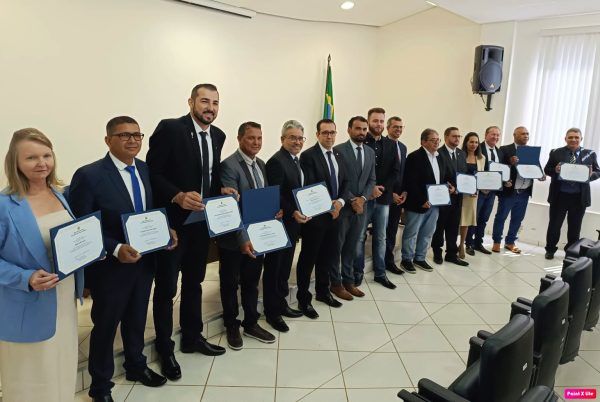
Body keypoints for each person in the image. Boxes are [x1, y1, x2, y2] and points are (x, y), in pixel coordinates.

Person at [70, 116, 179, 401]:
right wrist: (116, 248)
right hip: (111, 266)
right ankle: (100, 386)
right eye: (124, 135)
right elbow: (83, 226)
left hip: (144, 261)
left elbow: (149, 212)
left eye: (137, 135)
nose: (132, 140)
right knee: (106, 325)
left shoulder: (144, 169)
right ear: (108, 140)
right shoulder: (89, 175)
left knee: (136, 318)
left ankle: (136, 366)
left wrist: (164, 229)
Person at [146, 84, 227, 381]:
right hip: (173, 225)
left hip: (201, 224)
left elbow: (209, 176)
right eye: (204, 101)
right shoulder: (170, 129)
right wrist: (177, 195)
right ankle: (164, 348)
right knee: (167, 288)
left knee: (195, 282)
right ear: (191, 102)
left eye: (215, 103)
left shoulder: (218, 135)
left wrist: (222, 190)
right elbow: (152, 173)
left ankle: (192, 337)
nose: (210, 108)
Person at [0, 128, 84, 402]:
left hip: (63, 296)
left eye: (47, 155)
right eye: (31, 157)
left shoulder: (58, 193)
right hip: (27, 302)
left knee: (61, 364)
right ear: (15, 162)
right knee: (32, 376)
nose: (42, 163)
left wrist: (88, 251)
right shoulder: (5, 205)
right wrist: (25, 277)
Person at [218, 122, 276, 349]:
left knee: (252, 282)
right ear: (239, 138)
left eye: (259, 138)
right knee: (230, 284)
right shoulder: (229, 166)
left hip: (258, 236)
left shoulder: (261, 164)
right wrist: (243, 239)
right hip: (235, 240)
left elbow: (263, 198)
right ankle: (232, 325)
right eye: (251, 138)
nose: (256, 142)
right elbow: (230, 207)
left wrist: (274, 212)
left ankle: (251, 322)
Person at [296, 119, 348, 318]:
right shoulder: (308, 156)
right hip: (316, 218)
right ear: (317, 134)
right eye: (325, 132)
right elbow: (311, 186)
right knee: (308, 259)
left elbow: (346, 182)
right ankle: (303, 299)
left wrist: (340, 202)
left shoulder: (339, 155)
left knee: (327, 256)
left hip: (335, 216)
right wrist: (329, 205)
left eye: (332, 132)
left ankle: (323, 292)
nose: (329, 136)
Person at [263, 120, 307, 333]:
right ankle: (272, 313)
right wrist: (292, 211)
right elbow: (276, 194)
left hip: (293, 224)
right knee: (274, 268)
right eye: (292, 138)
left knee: (284, 268)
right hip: (280, 223)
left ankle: (281, 304)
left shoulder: (295, 160)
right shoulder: (276, 161)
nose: (297, 142)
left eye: (300, 138)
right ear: (282, 139)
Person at [354, 107, 401, 289]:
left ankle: (380, 273)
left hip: (383, 199)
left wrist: (381, 189)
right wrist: (370, 190)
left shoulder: (391, 144)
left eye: (381, 121)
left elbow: (395, 171)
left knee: (381, 237)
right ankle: (357, 273)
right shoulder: (360, 141)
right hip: (364, 198)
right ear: (368, 121)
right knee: (359, 237)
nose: (379, 124)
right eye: (375, 120)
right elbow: (356, 171)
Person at [332, 116, 376, 299]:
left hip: (360, 210)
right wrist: (352, 200)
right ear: (349, 130)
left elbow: (372, 179)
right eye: (358, 128)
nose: (361, 132)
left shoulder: (370, 152)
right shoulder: (338, 151)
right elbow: (338, 181)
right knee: (337, 247)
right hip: (343, 208)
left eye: (364, 129)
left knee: (352, 247)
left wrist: (363, 199)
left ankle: (348, 281)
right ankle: (335, 283)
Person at [400, 129, 454, 274]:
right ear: (423, 141)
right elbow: (410, 182)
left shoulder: (440, 157)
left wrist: (448, 186)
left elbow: (443, 178)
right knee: (412, 233)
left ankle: (420, 258)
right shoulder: (414, 157)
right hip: (417, 203)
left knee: (427, 233)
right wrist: (421, 200)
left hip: (435, 204)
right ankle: (406, 259)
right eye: (433, 140)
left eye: (438, 140)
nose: (436, 142)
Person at [543, 128, 600, 259]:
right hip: (559, 196)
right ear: (565, 139)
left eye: (576, 137)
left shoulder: (590, 154)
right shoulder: (556, 152)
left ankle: (571, 252)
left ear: (581, 139)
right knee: (554, 225)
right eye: (570, 137)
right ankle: (550, 250)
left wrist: (590, 175)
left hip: (579, 197)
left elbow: (598, 171)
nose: (573, 140)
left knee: (575, 227)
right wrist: (555, 170)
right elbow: (547, 169)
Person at [492, 126, 544, 254]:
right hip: (510, 191)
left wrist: (541, 175)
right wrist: (510, 162)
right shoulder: (505, 149)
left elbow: (537, 168)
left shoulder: (531, 151)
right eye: (522, 134)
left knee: (517, 219)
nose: (526, 136)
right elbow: (499, 168)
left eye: (527, 134)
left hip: (524, 192)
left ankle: (510, 242)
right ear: (514, 135)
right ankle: (496, 241)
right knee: (501, 217)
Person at [431, 127, 469, 266]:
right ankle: (437, 251)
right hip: (443, 196)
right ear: (446, 137)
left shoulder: (461, 154)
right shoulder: (438, 153)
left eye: (459, 136)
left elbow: (464, 175)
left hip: (458, 196)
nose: (457, 139)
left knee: (453, 226)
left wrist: (464, 188)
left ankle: (451, 254)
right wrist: (448, 187)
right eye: (454, 136)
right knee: (440, 226)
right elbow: (437, 175)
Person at [465, 126, 504, 255]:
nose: (495, 137)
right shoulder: (478, 148)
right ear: (486, 135)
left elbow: (501, 172)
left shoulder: (500, 152)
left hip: (492, 192)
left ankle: (478, 243)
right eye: (493, 134)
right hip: (477, 192)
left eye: (498, 135)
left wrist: (505, 180)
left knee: (484, 218)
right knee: (473, 218)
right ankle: (468, 243)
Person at [385, 117, 408, 274]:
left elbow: (403, 173)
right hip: (383, 196)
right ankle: (380, 261)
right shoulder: (383, 145)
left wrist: (404, 191)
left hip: (399, 197)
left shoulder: (403, 147)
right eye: (395, 127)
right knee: (381, 232)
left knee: (392, 230)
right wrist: (390, 193)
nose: (398, 129)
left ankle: (389, 260)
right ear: (388, 128)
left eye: (400, 127)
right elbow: (380, 174)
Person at [458, 132, 486, 259]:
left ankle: (461, 245)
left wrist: (478, 189)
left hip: (472, 195)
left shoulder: (481, 158)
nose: (474, 144)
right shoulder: (459, 155)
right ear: (466, 142)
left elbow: (481, 177)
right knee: (455, 220)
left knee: (466, 221)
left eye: (476, 142)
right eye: (471, 142)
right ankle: (451, 244)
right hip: (458, 193)